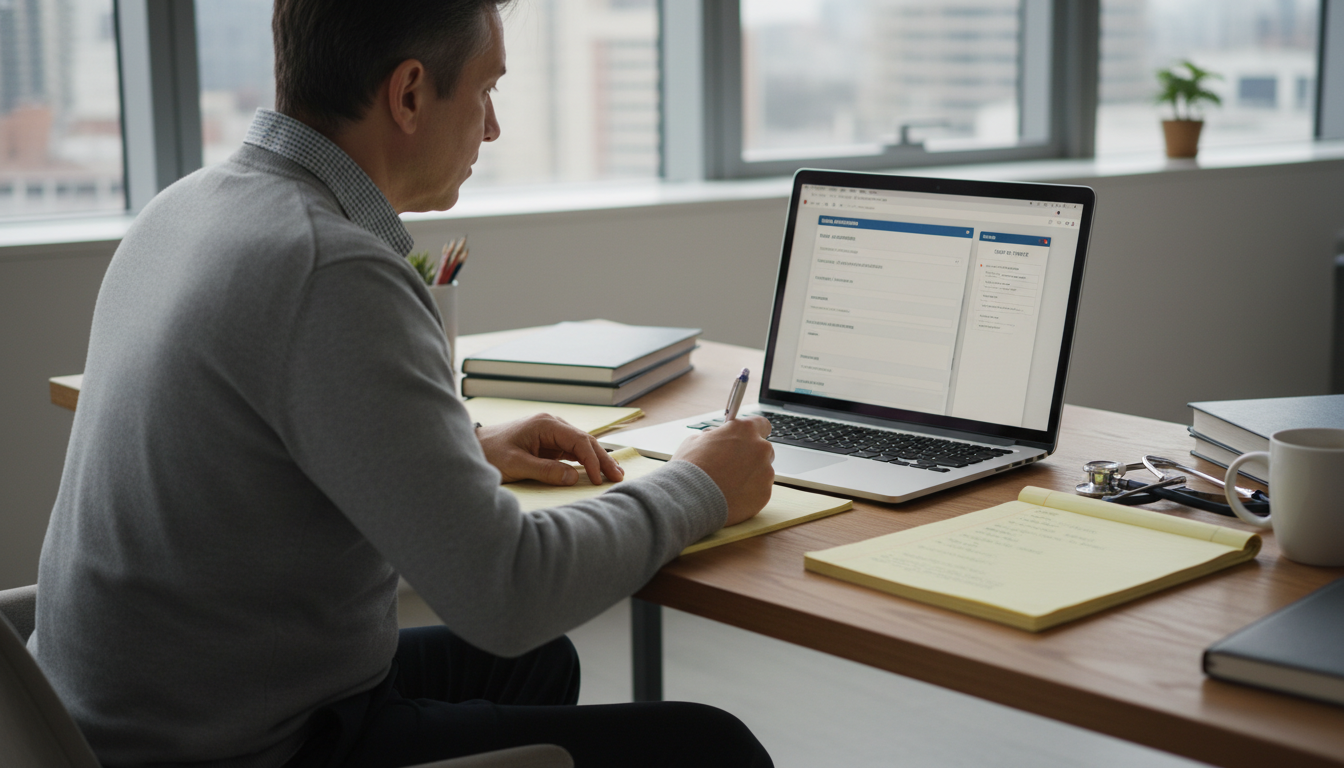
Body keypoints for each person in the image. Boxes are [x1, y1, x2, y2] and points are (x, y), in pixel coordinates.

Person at [28, 1, 776, 766]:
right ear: (410, 93)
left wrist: (468, 452)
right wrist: (701, 485)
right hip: (238, 748)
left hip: (100, 719)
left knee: (541, 666)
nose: (491, 128)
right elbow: (510, 593)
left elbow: (253, 466)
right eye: (485, 90)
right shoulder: (332, 269)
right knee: (712, 748)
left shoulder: (184, 209)